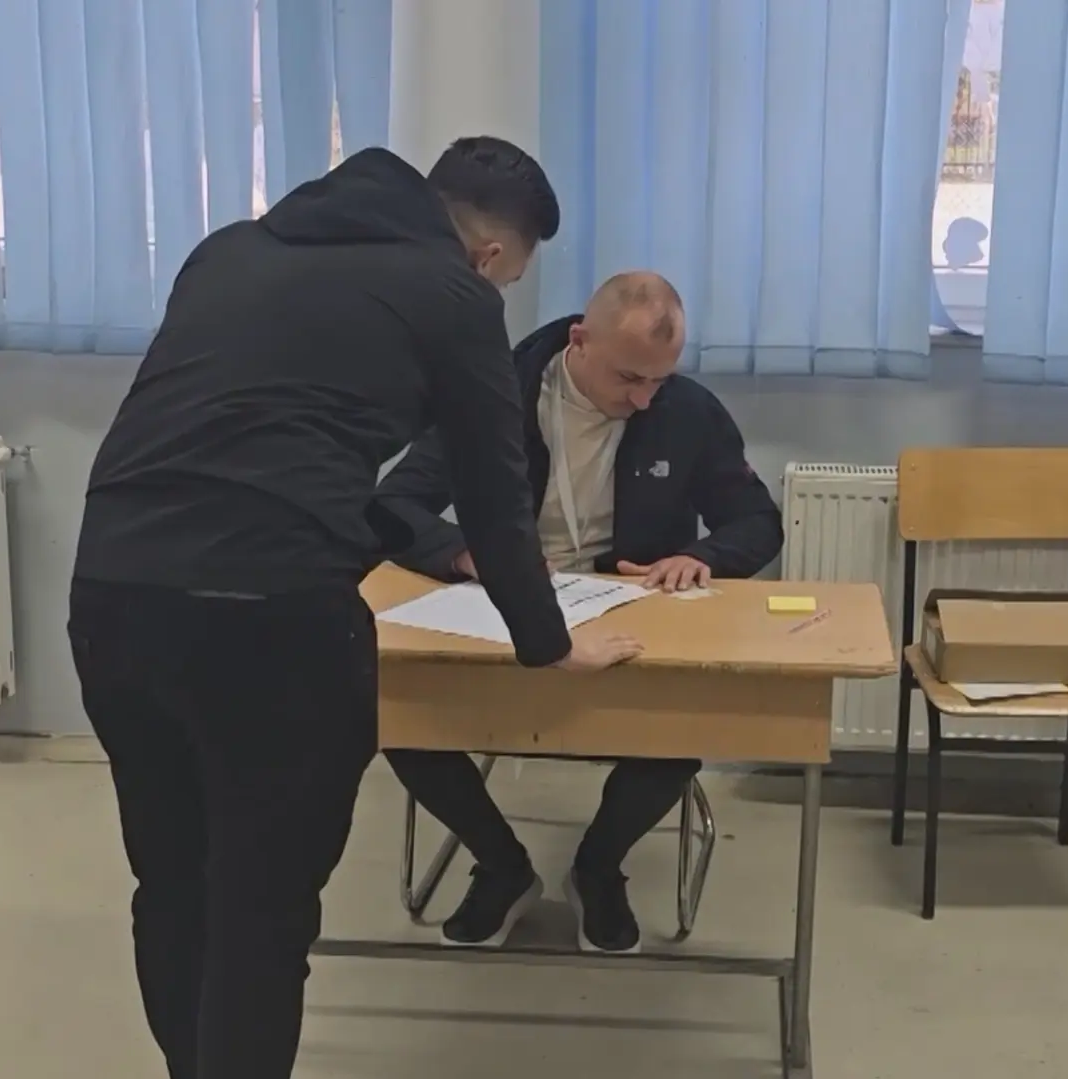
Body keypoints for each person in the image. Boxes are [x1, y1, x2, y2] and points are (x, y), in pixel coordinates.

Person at [66, 138, 642, 1079]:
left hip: (114, 595)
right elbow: (494, 503)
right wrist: (548, 642)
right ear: (490, 255)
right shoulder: (455, 296)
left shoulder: (229, 250)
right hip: (273, 619)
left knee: (173, 885)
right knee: (260, 910)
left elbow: (216, 434)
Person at [376, 271, 783, 954]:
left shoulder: (686, 410)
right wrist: (464, 554)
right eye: (629, 378)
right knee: (401, 715)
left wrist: (701, 555)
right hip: (507, 609)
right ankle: (501, 866)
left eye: (658, 379)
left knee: (687, 723)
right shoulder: (492, 398)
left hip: (627, 615)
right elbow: (393, 504)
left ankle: (597, 868)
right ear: (579, 341)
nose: (644, 397)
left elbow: (757, 521)